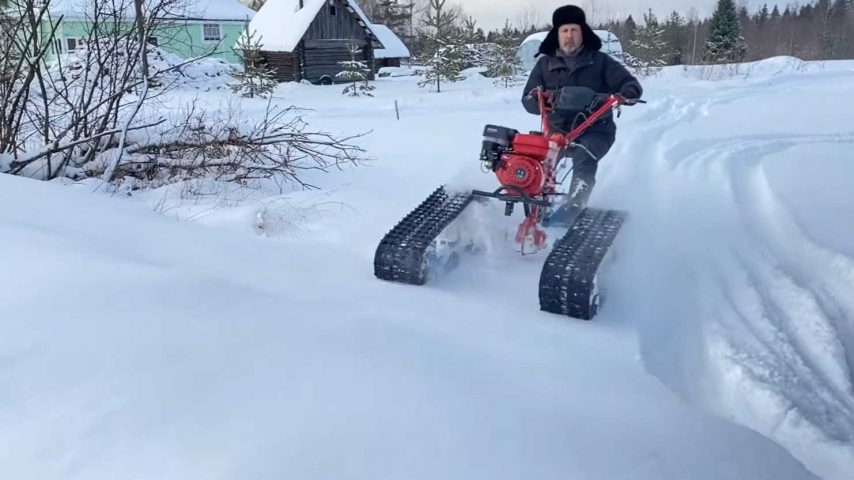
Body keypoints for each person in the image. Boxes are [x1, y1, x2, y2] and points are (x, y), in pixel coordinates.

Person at [522, 5, 642, 217]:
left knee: (583, 155)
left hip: (595, 130)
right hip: (556, 130)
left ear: (582, 33)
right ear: (557, 35)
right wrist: (539, 99)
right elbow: (527, 99)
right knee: (537, 162)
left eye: (574, 30)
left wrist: (627, 92)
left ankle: (575, 209)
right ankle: (534, 211)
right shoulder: (544, 64)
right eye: (564, 31)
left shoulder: (601, 61)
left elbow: (628, 83)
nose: (569, 35)